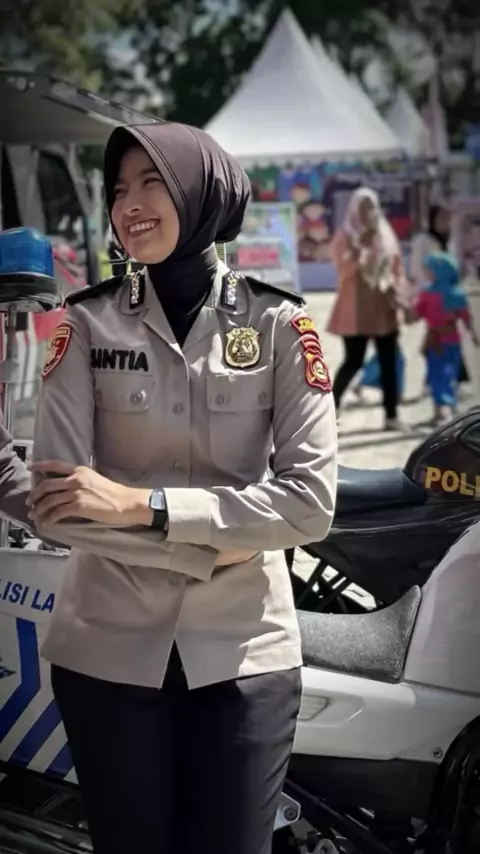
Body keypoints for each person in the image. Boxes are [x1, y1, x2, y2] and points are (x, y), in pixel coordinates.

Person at [27, 121, 338, 854]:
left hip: (246, 653)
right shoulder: (85, 324)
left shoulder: (279, 324)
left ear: (202, 193)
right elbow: (58, 504)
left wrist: (144, 506)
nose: (129, 204)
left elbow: (310, 504)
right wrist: (218, 544)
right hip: (106, 652)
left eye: (152, 182)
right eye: (118, 190)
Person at [327, 187, 409, 430]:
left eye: (371, 206)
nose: (368, 212)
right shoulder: (345, 236)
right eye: (363, 208)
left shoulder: (385, 234)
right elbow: (342, 270)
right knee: (353, 361)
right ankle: (329, 410)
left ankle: (391, 416)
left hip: (383, 307)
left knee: (388, 362)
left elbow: (397, 267)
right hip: (356, 309)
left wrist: (400, 293)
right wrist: (360, 249)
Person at [410, 252, 479, 423]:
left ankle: (441, 408)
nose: (427, 274)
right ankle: (448, 406)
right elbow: (466, 318)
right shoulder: (457, 294)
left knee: (436, 374)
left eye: (429, 270)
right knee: (450, 373)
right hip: (453, 340)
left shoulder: (427, 294)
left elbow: (415, 316)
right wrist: (474, 336)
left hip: (435, 341)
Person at [410, 202, 471, 387]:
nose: (445, 222)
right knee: (441, 334)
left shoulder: (448, 240)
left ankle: (441, 377)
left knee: (443, 335)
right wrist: (429, 291)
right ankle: (452, 377)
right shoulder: (423, 240)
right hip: (431, 296)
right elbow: (418, 267)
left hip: (447, 295)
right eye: (442, 217)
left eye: (447, 218)